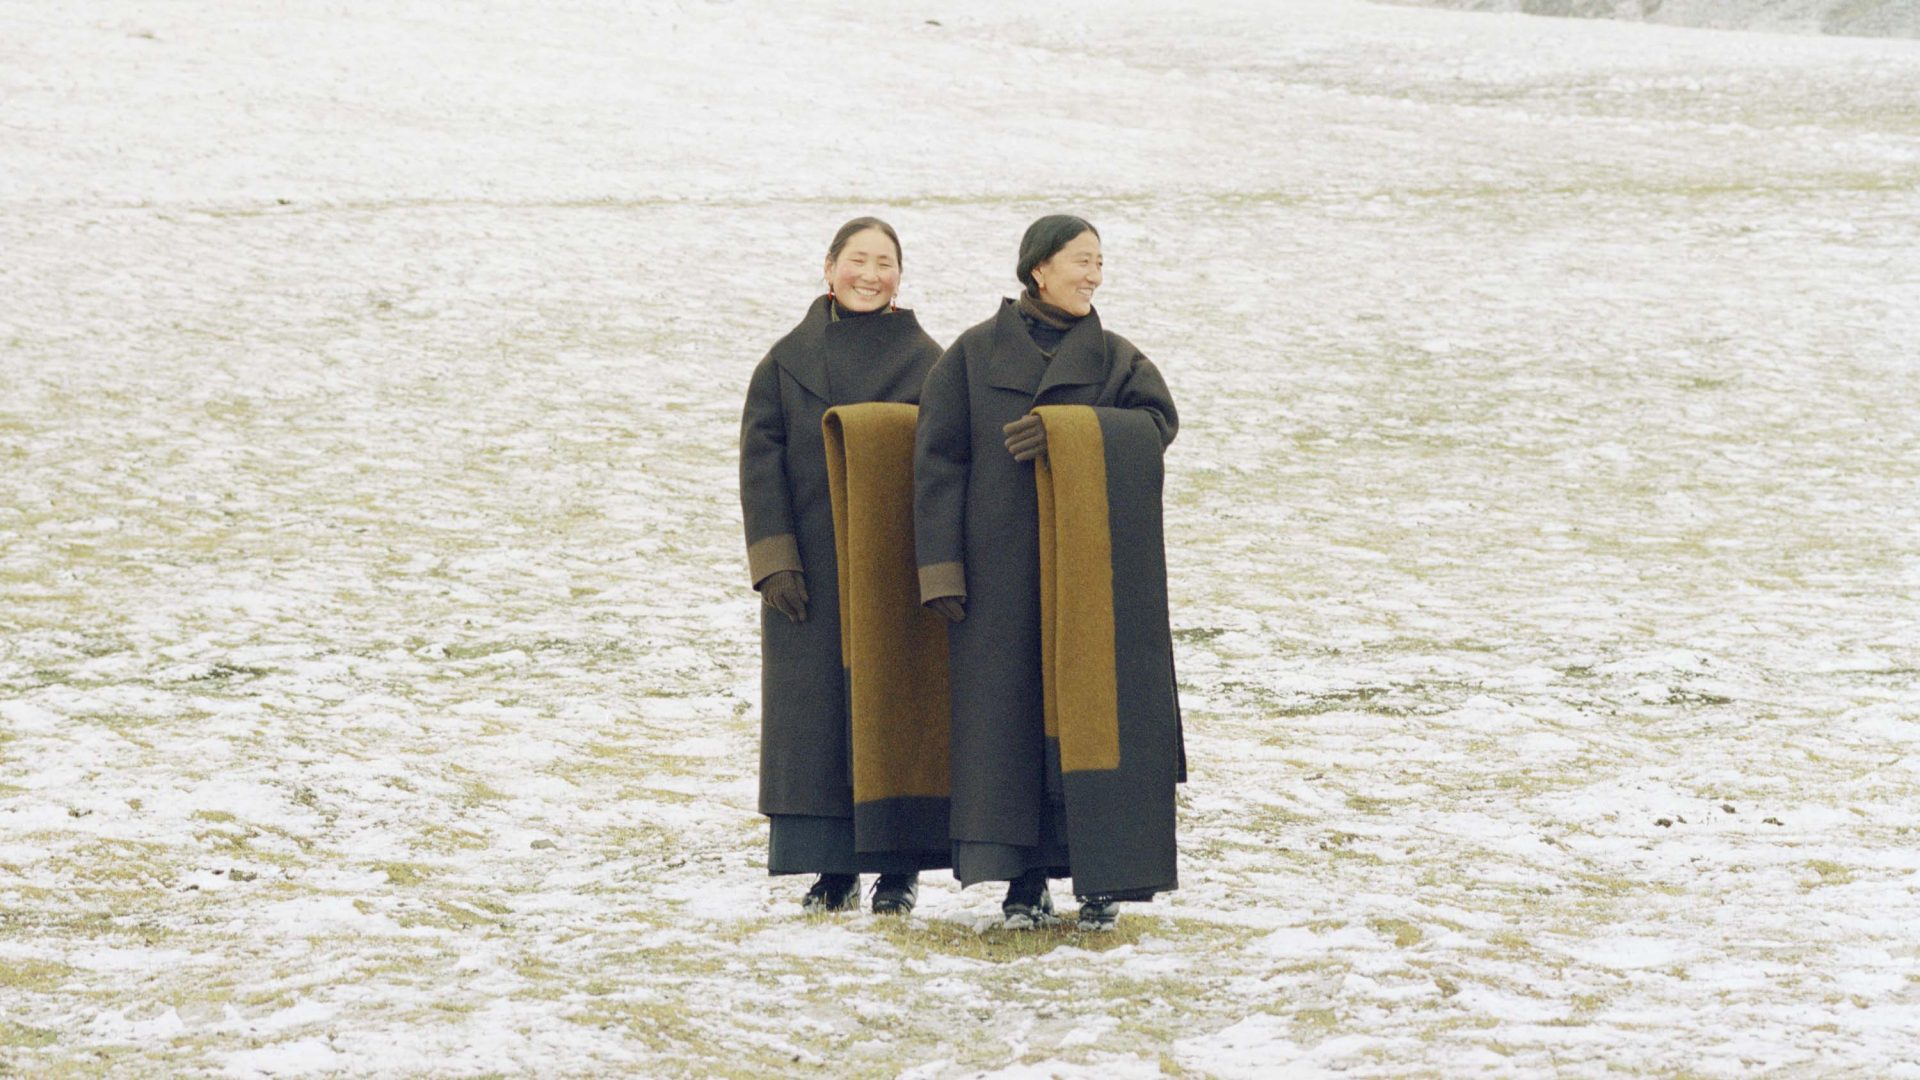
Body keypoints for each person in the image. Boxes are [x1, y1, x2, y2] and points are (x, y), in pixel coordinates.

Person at [913, 215, 1180, 931]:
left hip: (1092, 585)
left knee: (1094, 725)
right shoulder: (970, 356)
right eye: (1081, 261)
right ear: (1039, 269)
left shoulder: (1119, 360)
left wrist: (1075, 433)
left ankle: (1103, 879)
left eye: (1099, 263)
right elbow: (938, 463)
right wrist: (940, 570)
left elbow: (1158, 426)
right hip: (998, 587)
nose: (1094, 274)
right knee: (1009, 731)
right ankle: (1023, 883)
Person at [740, 218, 946, 914]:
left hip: (896, 575)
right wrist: (774, 564)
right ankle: (831, 867)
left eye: (885, 262)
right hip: (812, 578)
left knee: (893, 718)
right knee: (819, 719)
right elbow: (759, 466)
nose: (871, 273)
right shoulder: (784, 362)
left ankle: (898, 868)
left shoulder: (929, 363)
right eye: (857, 259)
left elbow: (949, 468)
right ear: (828, 269)